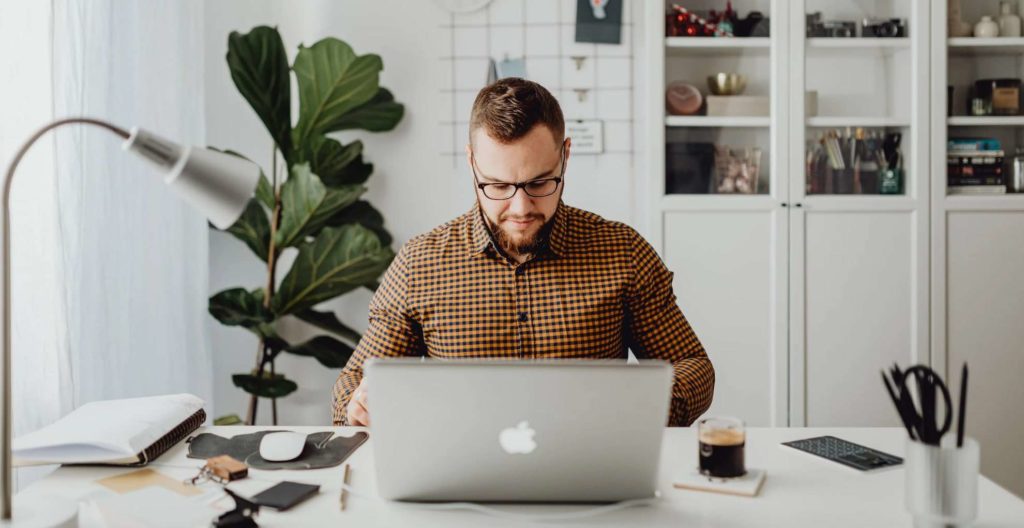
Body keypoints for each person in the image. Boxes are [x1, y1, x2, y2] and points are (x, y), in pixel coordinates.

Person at [332, 77, 713, 427]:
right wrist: (358, 404)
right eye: (497, 186)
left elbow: (693, 367)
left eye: (539, 183)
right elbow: (353, 382)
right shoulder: (420, 263)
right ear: (471, 164)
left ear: (565, 156)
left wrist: (638, 408)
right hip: (458, 477)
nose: (520, 208)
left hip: (589, 470)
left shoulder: (622, 252)